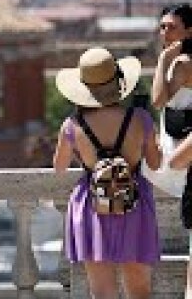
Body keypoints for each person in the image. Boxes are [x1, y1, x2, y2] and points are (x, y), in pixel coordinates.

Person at [52, 47, 160, 299]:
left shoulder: (72, 125)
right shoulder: (140, 118)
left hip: (92, 205)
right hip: (134, 204)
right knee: (139, 289)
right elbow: (154, 164)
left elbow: (59, 167)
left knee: (101, 292)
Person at [147, 3, 192, 198]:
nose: (165, 32)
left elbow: (157, 101)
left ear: (189, 32)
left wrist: (163, 59)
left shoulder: (183, 64)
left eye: (172, 27)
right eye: (162, 27)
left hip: (182, 151)